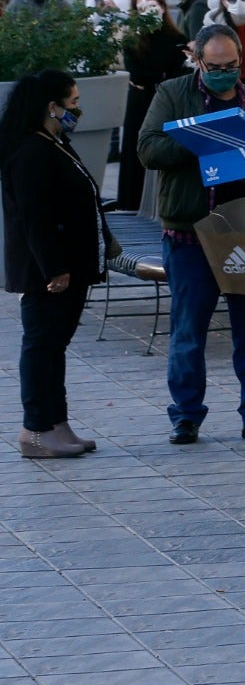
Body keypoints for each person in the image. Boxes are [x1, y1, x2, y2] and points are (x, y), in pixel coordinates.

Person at [137, 23, 245, 445]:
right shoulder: (174, 94)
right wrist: (203, 140)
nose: (224, 73)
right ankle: (186, 416)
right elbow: (148, 148)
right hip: (190, 233)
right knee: (189, 330)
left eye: (232, 66)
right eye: (214, 66)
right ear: (197, 60)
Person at [1, 70, 117, 458]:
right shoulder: (31, 151)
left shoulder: (56, 142)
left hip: (71, 264)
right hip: (48, 271)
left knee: (55, 346)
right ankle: (35, 428)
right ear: (52, 107)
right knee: (41, 345)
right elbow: (36, 218)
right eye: (73, 102)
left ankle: (56, 421)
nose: (77, 110)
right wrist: (54, 267)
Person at [117, 0, 190, 210]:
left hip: (164, 100)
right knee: (135, 148)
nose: (149, 11)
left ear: (163, 7)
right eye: (142, 8)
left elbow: (180, 70)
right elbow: (137, 73)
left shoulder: (176, 38)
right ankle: (131, 201)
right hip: (140, 99)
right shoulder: (132, 38)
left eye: (152, 5)